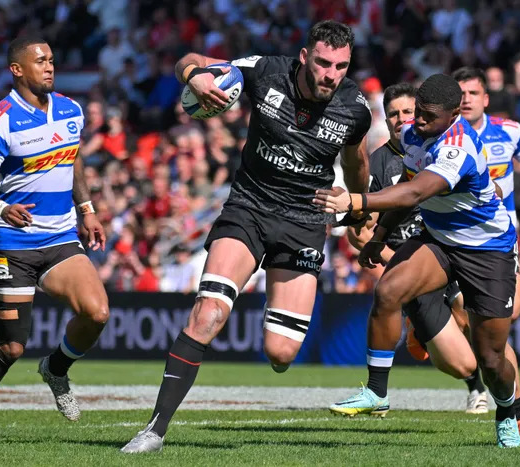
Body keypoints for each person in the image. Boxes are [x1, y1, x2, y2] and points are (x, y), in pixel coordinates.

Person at [121, 20, 372, 454]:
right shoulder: (265, 71)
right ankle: (154, 431)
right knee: (208, 314)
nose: (331, 74)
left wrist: (358, 209)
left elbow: (356, 163)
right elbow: (190, 61)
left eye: (341, 66)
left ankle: (270, 300)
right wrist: (195, 76)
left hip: (304, 222)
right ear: (305, 57)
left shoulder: (355, 109)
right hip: (249, 208)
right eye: (323, 63)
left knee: (281, 353)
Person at [314, 73, 520, 448]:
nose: (419, 121)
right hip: (440, 239)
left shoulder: (459, 147)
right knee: (388, 291)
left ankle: (507, 413)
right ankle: (377, 392)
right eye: (418, 112)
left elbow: (414, 193)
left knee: (490, 359)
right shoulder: (413, 134)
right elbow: (403, 187)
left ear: (453, 115)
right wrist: (379, 236)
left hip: (487, 250)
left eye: (428, 115)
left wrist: (354, 201)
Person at [0, 36, 110, 440]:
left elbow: (73, 159)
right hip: (14, 243)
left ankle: (56, 369)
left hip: (60, 237)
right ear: (17, 70)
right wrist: (0, 208)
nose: (49, 66)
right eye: (40, 61)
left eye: (52, 60)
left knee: (97, 313)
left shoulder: (70, 109)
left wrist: (87, 209)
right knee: (11, 347)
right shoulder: (1, 120)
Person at [328, 83, 488, 418]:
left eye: (408, 112)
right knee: (459, 363)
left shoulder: (449, 145)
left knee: (478, 314)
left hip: (456, 247)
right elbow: (360, 232)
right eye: (393, 114)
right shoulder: (376, 164)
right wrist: (390, 255)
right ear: (385, 120)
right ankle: (473, 382)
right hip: (412, 260)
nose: (402, 119)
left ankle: (500, 399)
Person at [449, 66, 520, 435]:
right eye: (460, 93)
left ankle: (431, 319)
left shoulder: (508, 132)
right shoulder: (444, 135)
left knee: (500, 322)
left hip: (498, 243)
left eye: (473, 93)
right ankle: (517, 416)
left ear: (486, 98)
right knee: (481, 325)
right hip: (453, 241)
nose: (466, 99)